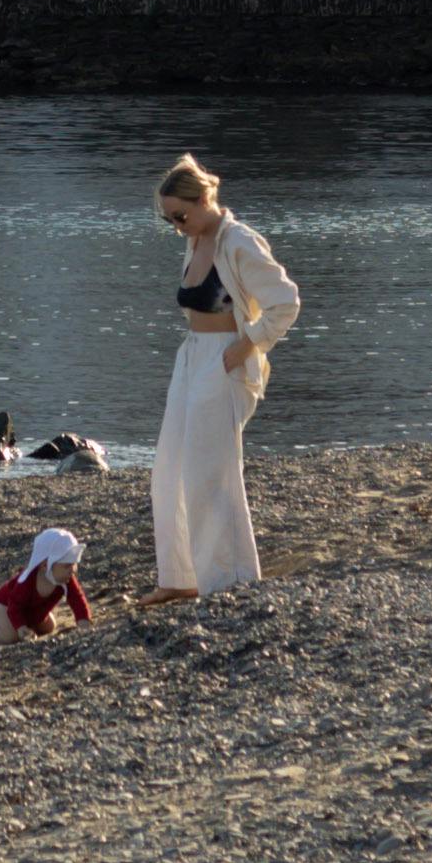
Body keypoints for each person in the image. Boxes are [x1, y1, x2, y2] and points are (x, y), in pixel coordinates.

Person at [149, 153, 300, 597]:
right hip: (191, 356)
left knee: (209, 473)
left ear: (204, 199)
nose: (177, 226)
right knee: (169, 470)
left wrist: (249, 342)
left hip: (224, 359)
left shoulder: (239, 242)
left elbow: (285, 302)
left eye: (180, 215)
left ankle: (229, 580)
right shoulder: (195, 239)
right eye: (169, 220)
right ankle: (179, 579)